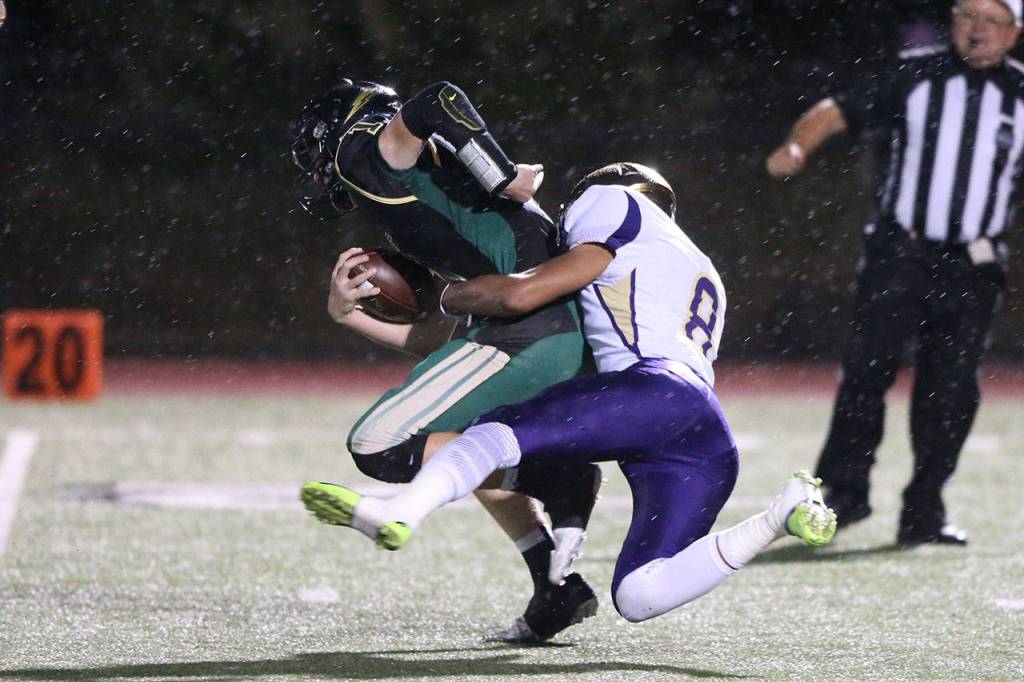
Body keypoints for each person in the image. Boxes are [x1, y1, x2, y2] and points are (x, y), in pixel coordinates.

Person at [300, 162, 837, 624]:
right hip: (703, 432)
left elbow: (524, 296)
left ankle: (401, 512)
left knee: (490, 434)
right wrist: (354, 319)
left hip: (650, 390)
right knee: (640, 595)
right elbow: (496, 342)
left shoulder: (611, 203)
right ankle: (777, 517)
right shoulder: (688, 266)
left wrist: (447, 294)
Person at [291, 79, 601, 641]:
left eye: (317, 148)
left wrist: (501, 173)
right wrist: (347, 316)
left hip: (531, 332)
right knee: (464, 437)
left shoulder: (363, 149)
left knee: (378, 445)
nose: (319, 166)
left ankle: (560, 480)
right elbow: (447, 343)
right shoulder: (439, 191)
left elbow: (437, 99)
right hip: (545, 332)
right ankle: (553, 586)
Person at [766, 0, 1023, 546]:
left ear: (1013, 33)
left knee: (950, 391)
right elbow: (837, 110)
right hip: (900, 254)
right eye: (965, 16)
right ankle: (845, 494)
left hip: (974, 265)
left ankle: (924, 510)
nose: (975, 29)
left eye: (990, 19)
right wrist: (797, 144)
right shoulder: (916, 74)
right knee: (865, 373)